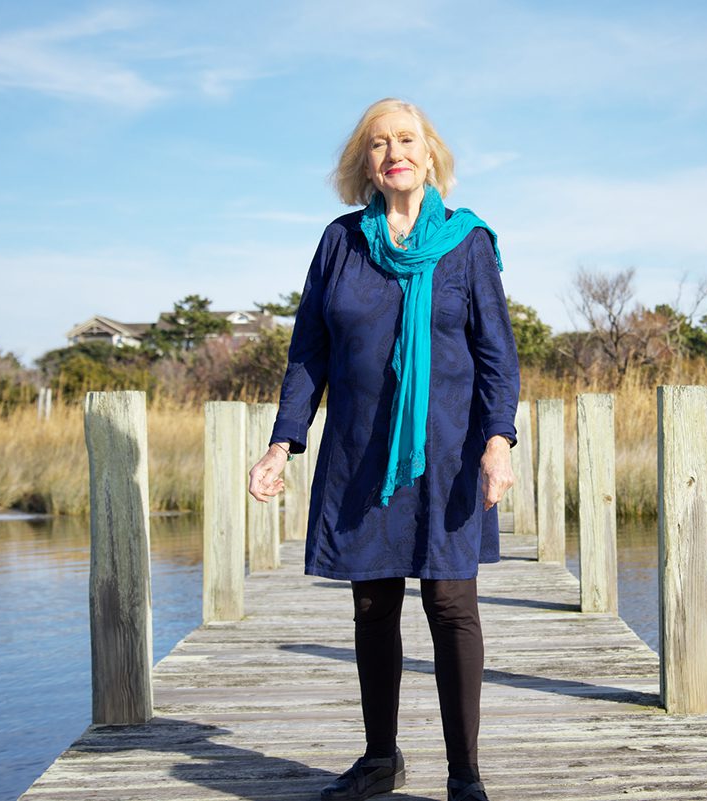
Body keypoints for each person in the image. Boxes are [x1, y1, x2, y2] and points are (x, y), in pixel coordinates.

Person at [247, 97, 520, 801]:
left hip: (451, 456)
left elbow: (497, 356)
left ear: (430, 153)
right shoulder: (340, 242)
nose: (393, 151)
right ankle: (379, 757)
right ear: (363, 162)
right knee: (373, 605)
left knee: (452, 604)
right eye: (378, 143)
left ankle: (464, 773)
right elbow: (309, 353)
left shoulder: (467, 242)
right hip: (362, 453)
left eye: (406, 139)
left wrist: (497, 440)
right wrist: (284, 442)